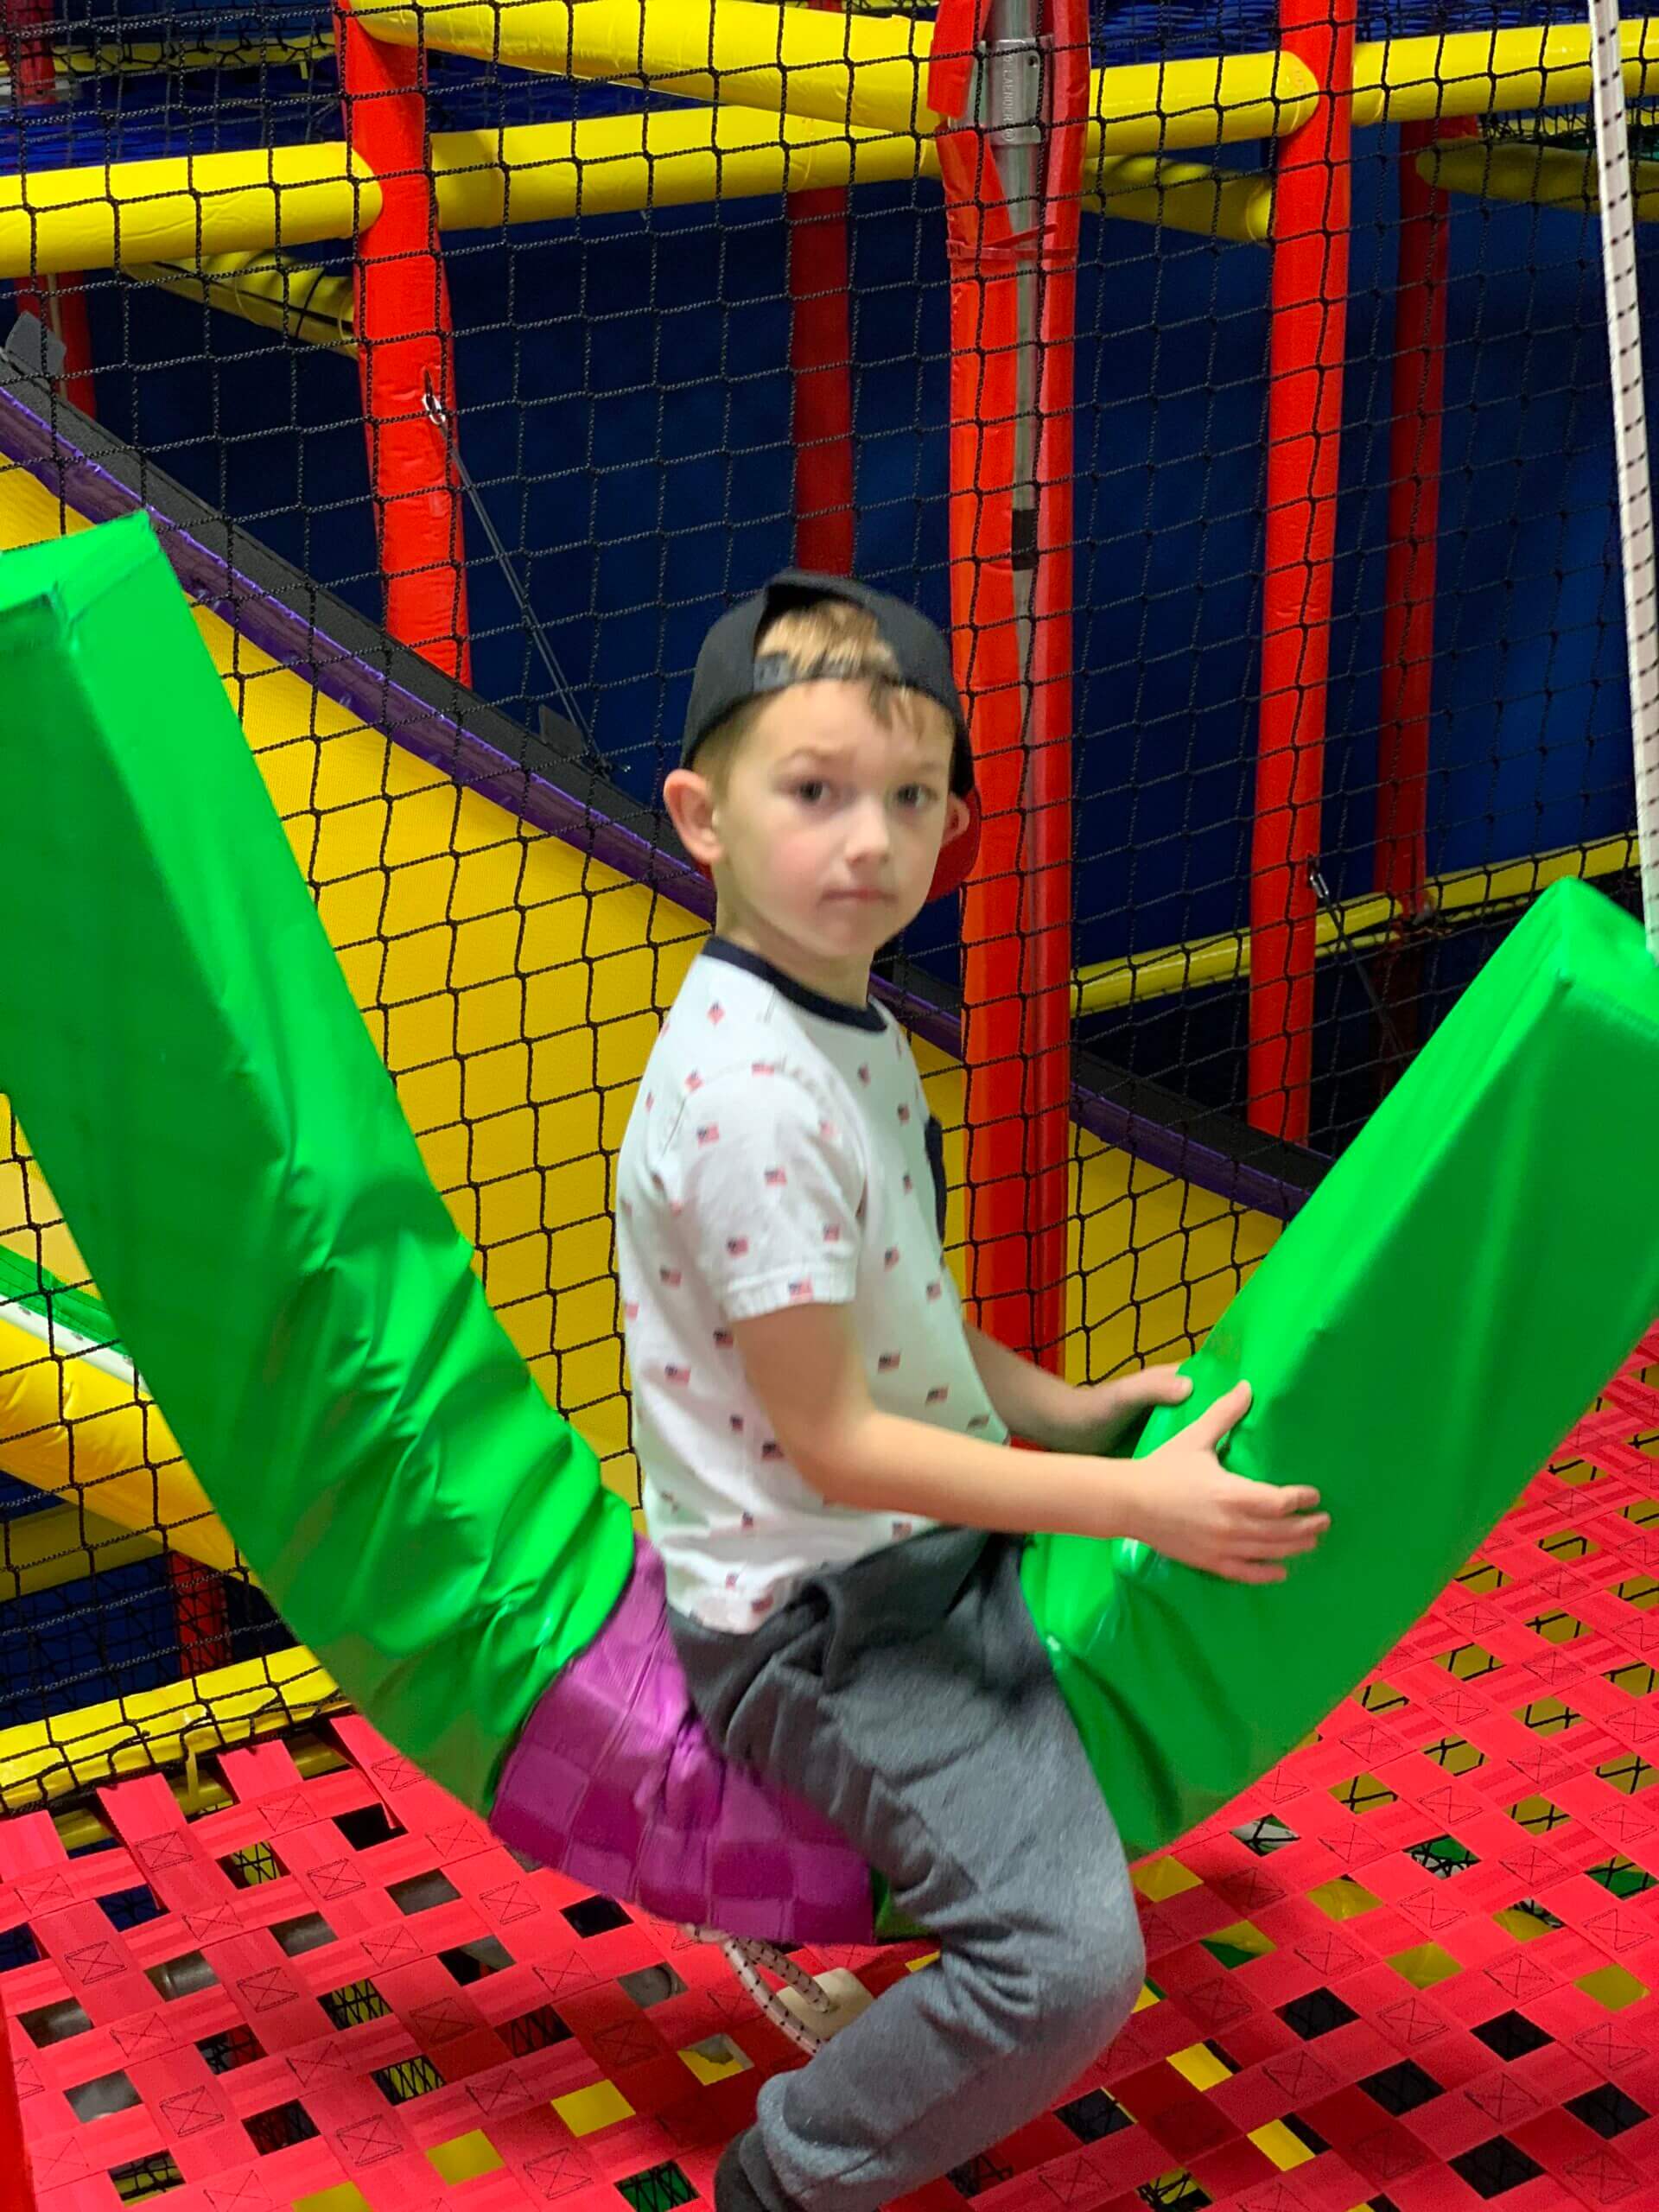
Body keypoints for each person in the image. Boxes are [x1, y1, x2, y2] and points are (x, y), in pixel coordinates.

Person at [614, 572, 1329, 2212]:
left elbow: (900, 1326)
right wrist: (1130, 1498)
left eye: (913, 797)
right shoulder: (746, 1099)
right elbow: (842, 1440)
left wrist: (1068, 1411)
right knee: (1070, 1967)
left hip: (895, 1550)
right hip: (823, 1623)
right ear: (699, 814)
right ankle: (790, 2177)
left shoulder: (847, 1021)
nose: (870, 840)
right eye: (814, 792)